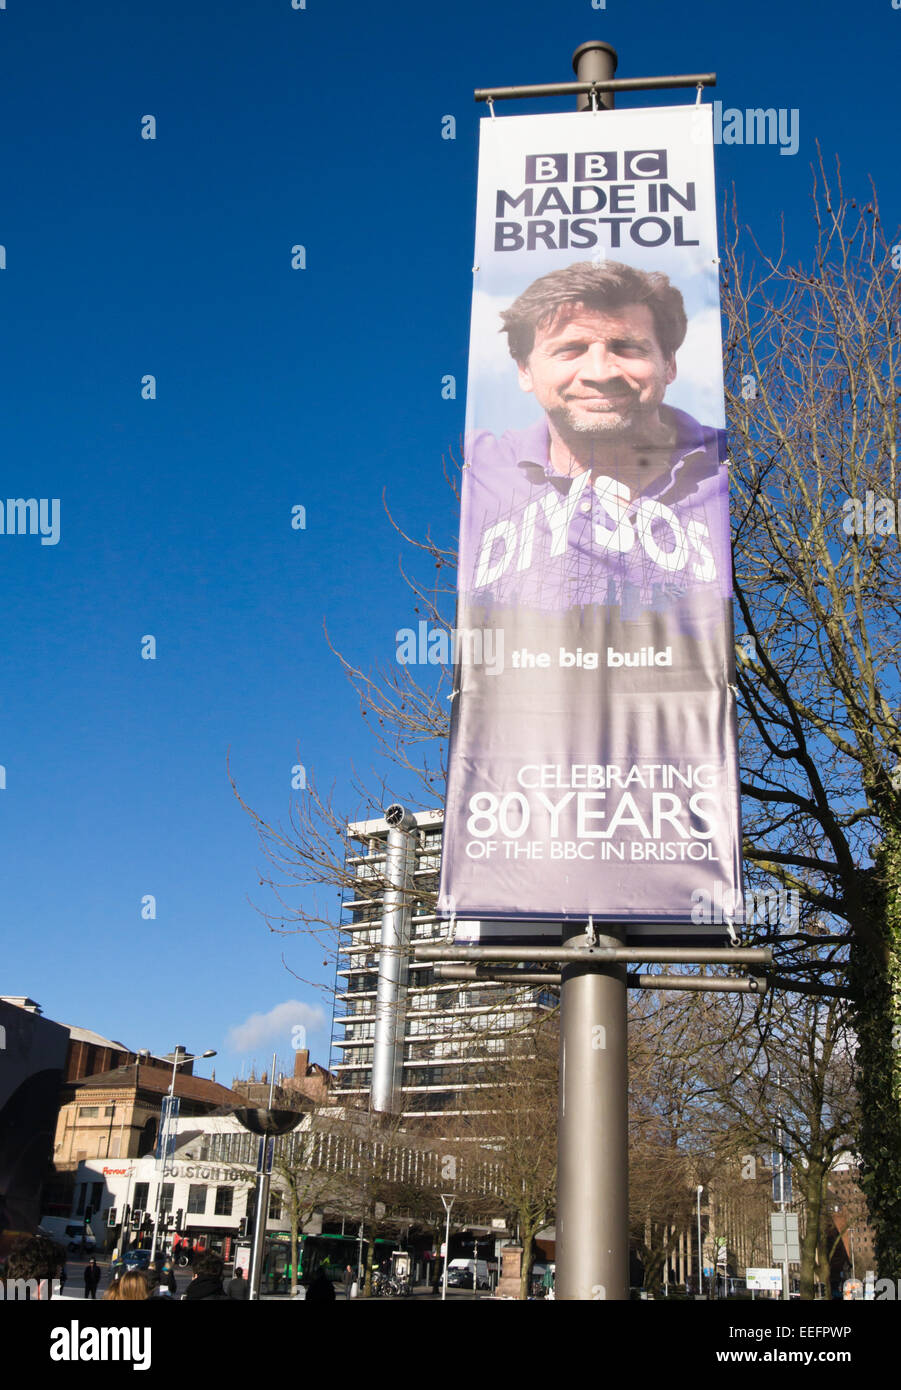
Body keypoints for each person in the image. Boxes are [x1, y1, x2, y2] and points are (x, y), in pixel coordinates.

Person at [463, 259, 730, 620]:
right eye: (569, 350)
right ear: (524, 371)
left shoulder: (735, 465)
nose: (600, 373)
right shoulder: (478, 466)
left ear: (669, 364)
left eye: (627, 347)